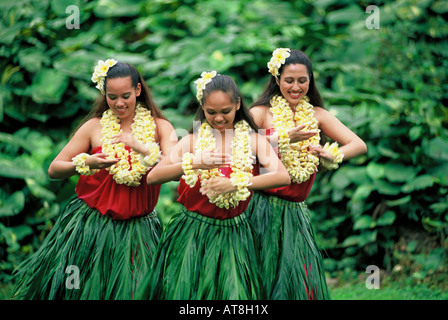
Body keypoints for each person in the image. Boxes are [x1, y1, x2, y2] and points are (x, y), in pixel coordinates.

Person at [12, 59, 176, 299]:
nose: (119, 103)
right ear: (104, 94)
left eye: (126, 95)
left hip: (139, 229)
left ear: (138, 90)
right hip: (91, 225)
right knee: (83, 291)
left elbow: (171, 167)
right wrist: (86, 163)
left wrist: (140, 147)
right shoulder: (94, 127)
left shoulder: (160, 127)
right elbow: (55, 169)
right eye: (112, 97)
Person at [135, 71, 290, 300]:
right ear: (202, 107)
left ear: (238, 104)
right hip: (193, 232)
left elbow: (282, 176)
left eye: (225, 111)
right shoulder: (192, 141)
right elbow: (154, 176)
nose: (218, 118)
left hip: (235, 232)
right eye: (211, 112)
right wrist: (194, 163)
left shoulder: (253, 139)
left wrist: (237, 183)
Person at [249, 48, 367, 300]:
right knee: (260, 282)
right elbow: (234, 142)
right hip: (260, 208)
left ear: (310, 81)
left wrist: (331, 154)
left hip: (295, 212)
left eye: (302, 80)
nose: (295, 87)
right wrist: (281, 138)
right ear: (277, 80)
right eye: (288, 80)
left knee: (298, 282)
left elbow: (358, 145)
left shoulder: (316, 115)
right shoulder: (262, 113)